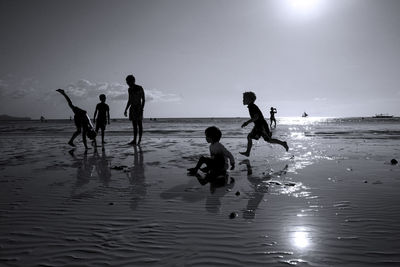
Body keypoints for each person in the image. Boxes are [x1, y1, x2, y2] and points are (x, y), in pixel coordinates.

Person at [240, 91, 288, 157]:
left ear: (250, 99)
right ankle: (247, 152)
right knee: (249, 137)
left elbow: (256, 117)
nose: (243, 100)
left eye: (244, 98)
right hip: (258, 126)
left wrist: (247, 122)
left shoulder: (252, 107)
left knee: (269, 140)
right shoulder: (251, 106)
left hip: (262, 126)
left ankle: (283, 143)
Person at [124, 75, 145, 145]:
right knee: (134, 125)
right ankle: (134, 140)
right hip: (132, 108)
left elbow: (143, 99)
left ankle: (139, 140)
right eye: (127, 82)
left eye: (128, 81)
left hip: (139, 108)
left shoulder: (139, 88)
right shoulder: (129, 89)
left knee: (139, 124)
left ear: (133, 81)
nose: (127, 83)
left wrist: (141, 108)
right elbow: (129, 100)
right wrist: (126, 109)